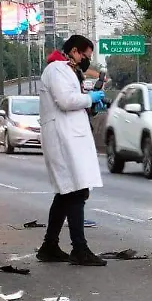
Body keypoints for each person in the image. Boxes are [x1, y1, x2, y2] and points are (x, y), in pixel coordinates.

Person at [37, 35, 109, 266]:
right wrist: (90, 98)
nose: (88, 61)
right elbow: (65, 101)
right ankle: (79, 248)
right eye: (86, 56)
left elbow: (73, 102)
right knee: (75, 191)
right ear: (75, 51)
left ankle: (49, 246)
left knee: (67, 192)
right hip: (62, 137)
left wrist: (92, 104)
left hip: (70, 135)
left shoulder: (68, 70)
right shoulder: (57, 69)